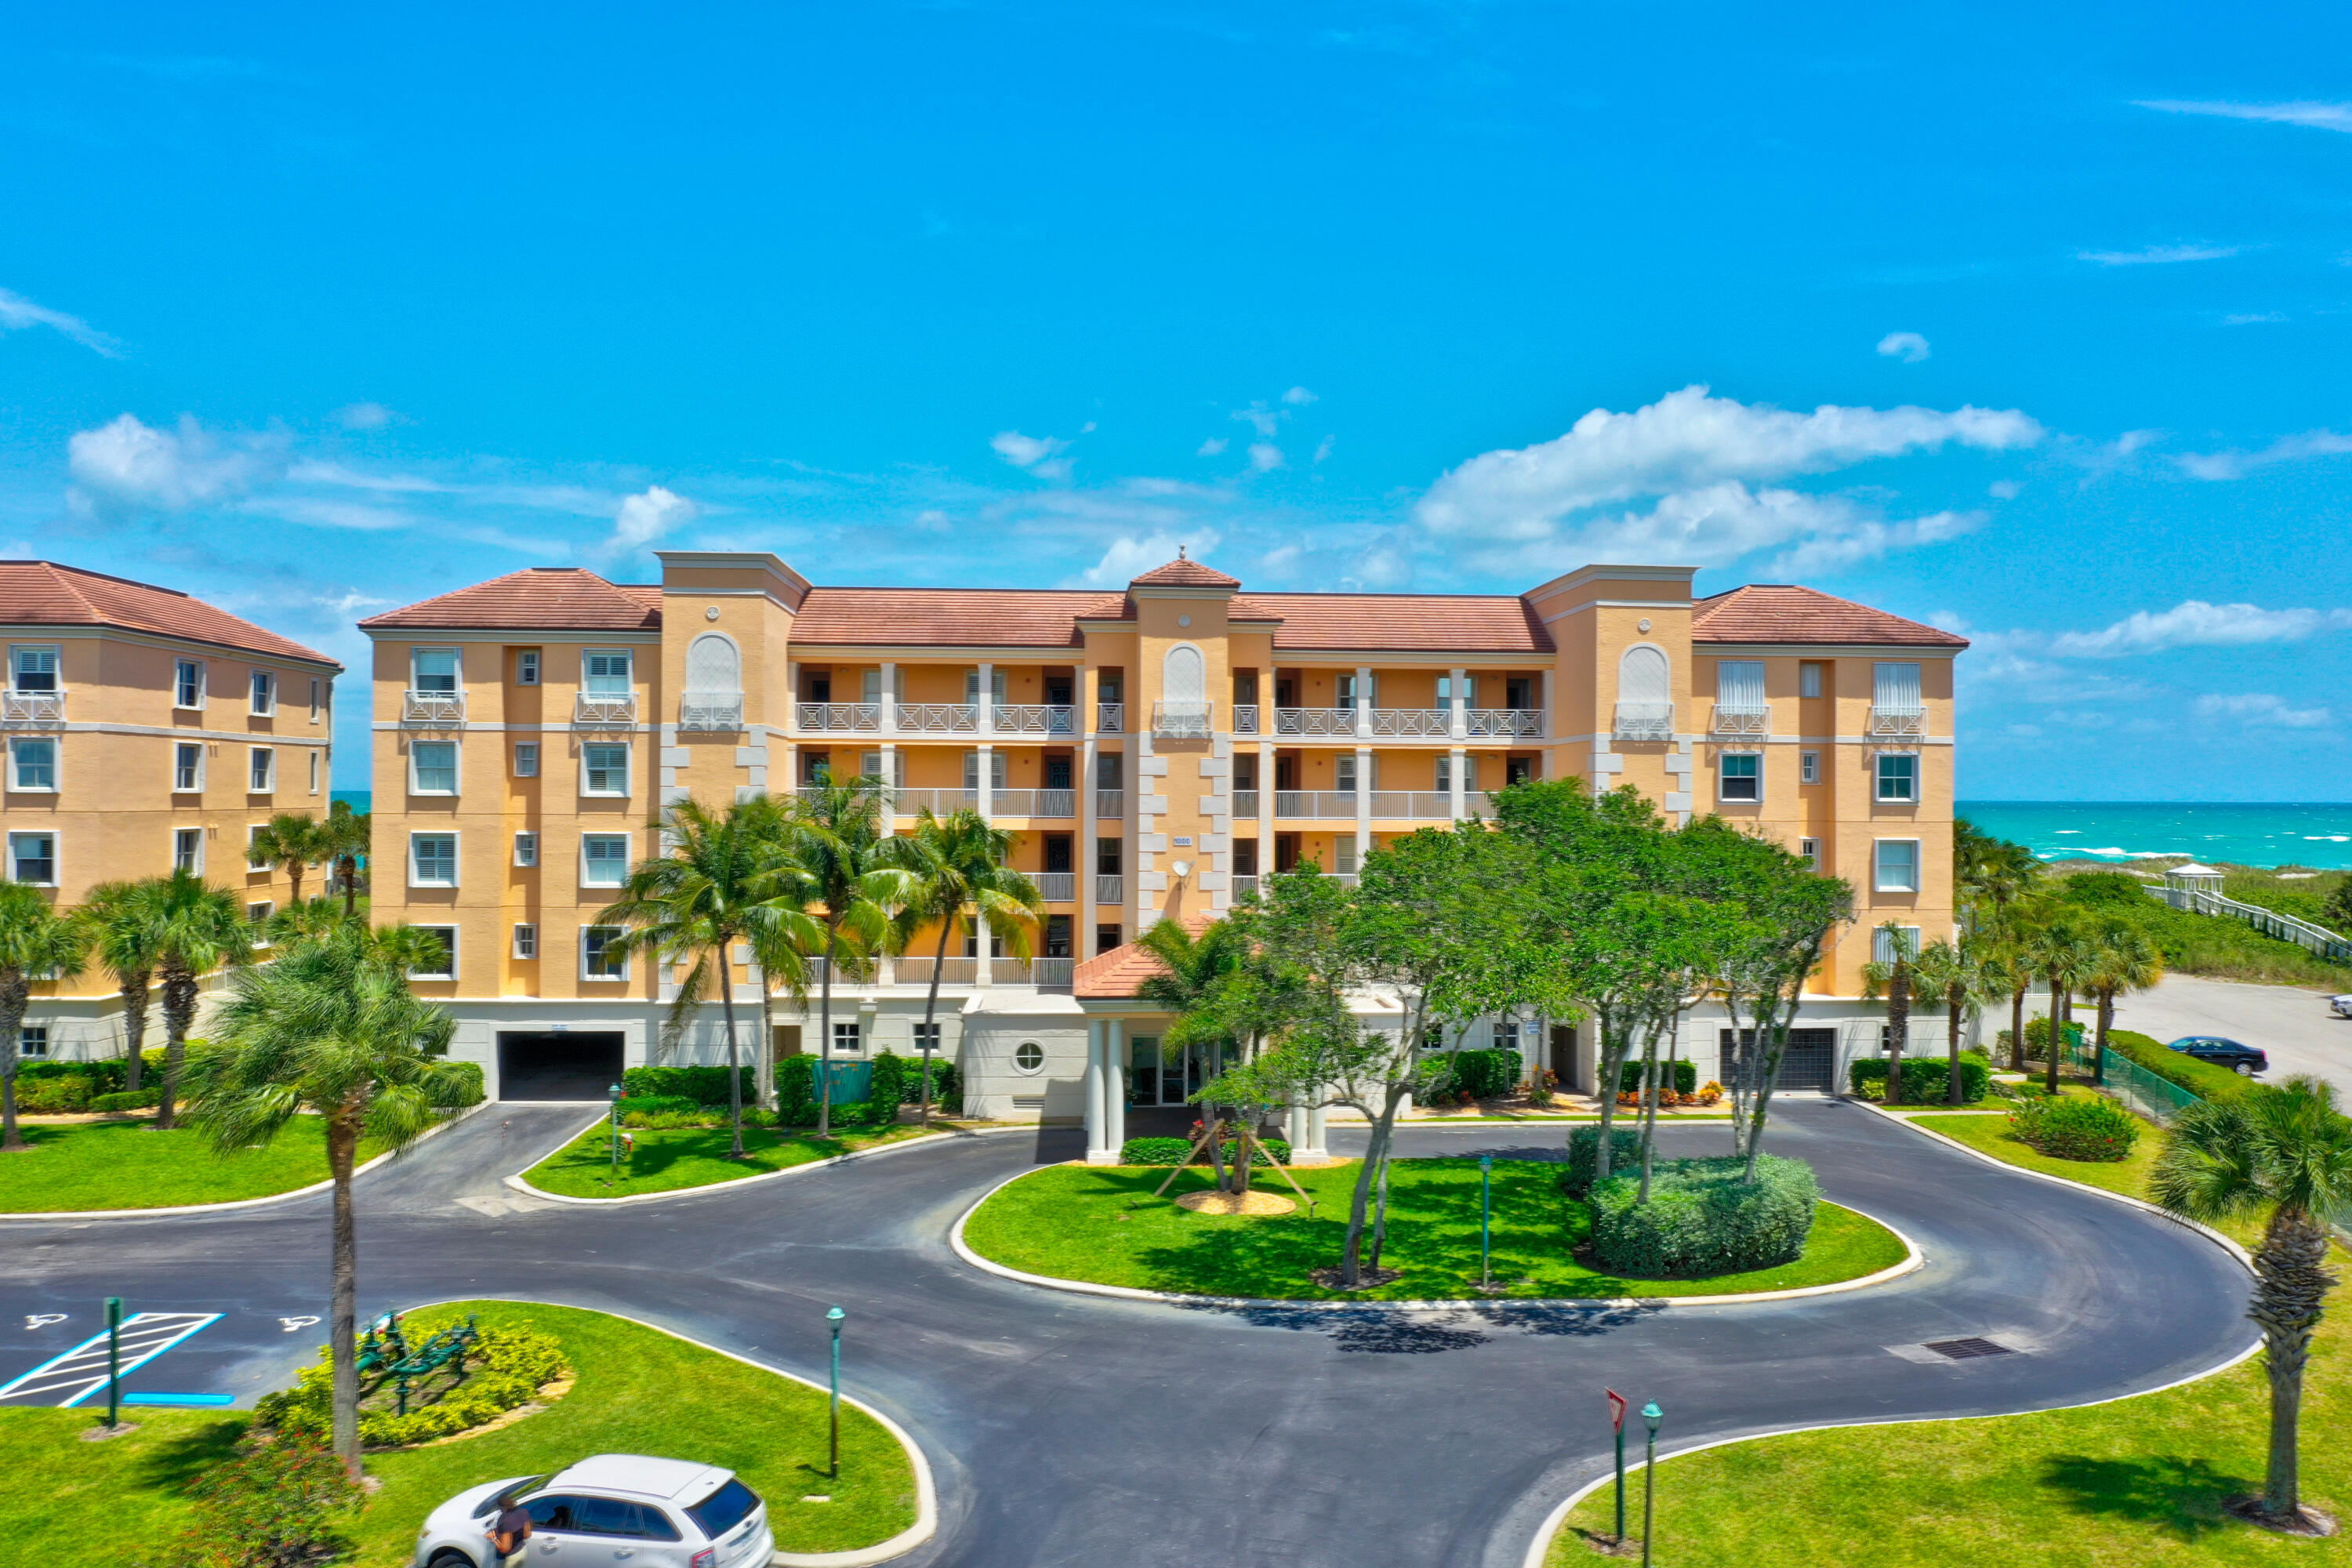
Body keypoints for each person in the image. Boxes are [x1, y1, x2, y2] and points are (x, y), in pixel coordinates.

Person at [488, 1490, 533, 1566]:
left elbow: (505, 1549)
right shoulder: (523, 1512)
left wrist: (493, 1538)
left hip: (512, 1558)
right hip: (522, 1552)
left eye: (500, 1508)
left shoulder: (505, 1522)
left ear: (502, 1506)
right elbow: (527, 1535)